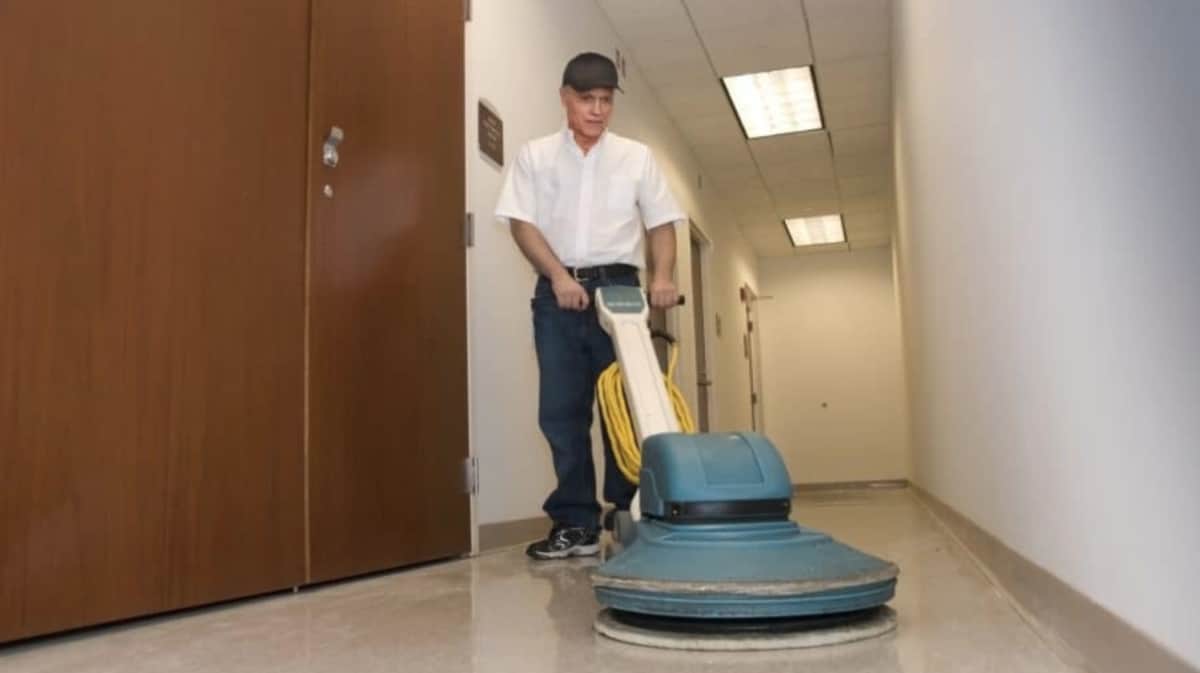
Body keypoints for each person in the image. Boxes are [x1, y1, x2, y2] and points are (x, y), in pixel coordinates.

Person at [494, 52, 685, 560]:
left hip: (620, 292)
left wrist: (662, 277)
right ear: (565, 99)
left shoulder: (636, 157)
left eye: (606, 100)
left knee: (625, 405)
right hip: (557, 293)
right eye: (587, 100)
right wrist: (557, 276)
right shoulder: (535, 156)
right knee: (560, 412)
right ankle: (575, 523)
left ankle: (625, 515)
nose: (598, 110)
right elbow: (521, 222)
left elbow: (662, 222)